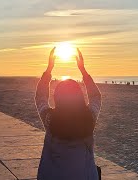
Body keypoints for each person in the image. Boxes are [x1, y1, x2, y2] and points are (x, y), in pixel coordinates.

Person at [35, 48, 102, 180]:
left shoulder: (51, 120)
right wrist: (83, 70)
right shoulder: (89, 119)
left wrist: (49, 69)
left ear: (57, 99)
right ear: (80, 98)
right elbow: (96, 97)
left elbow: (40, 97)